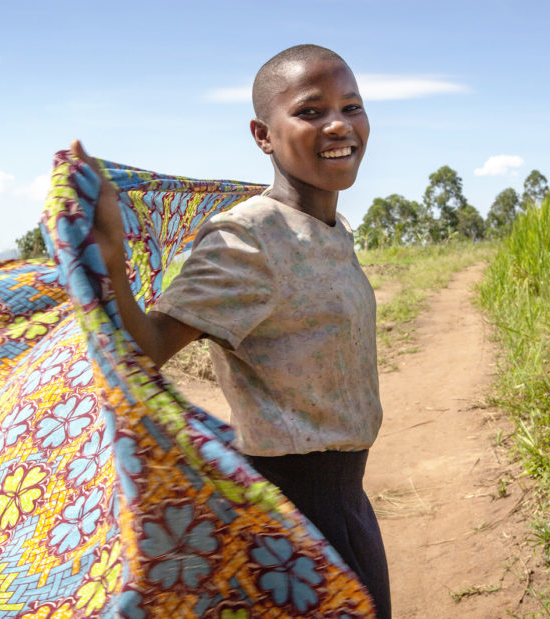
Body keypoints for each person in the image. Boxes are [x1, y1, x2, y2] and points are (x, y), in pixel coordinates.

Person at [71, 43, 391, 618]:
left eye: (352, 106)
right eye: (311, 111)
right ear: (263, 135)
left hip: (346, 498)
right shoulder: (248, 238)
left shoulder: (328, 226)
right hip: (300, 505)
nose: (339, 123)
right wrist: (111, 257)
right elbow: (146, 351)